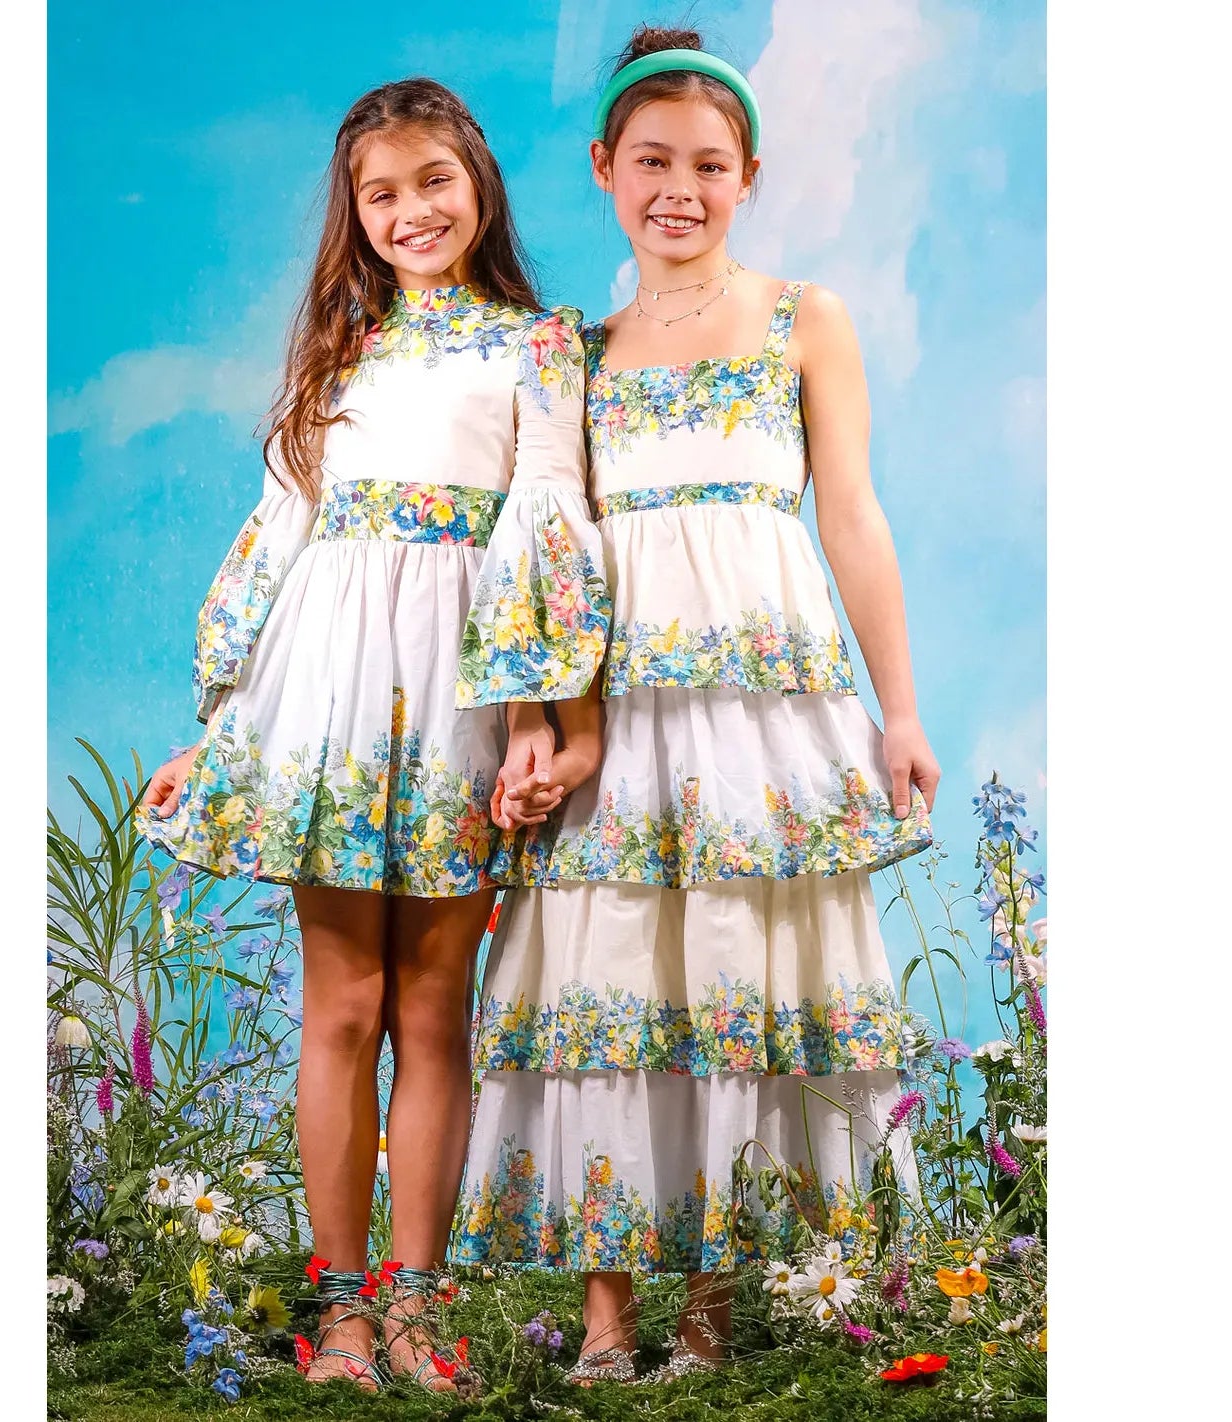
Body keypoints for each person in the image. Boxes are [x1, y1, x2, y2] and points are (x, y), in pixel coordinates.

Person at [453, 26, 940, 1386]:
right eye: (653, 161)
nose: (681, 187)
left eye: (710, 164)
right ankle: (607, 1318)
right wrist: (547, 719)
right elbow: (548, 549)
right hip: (619, 708)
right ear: (604, 168)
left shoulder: (803, 318)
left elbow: (851, 514)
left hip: (761, 710)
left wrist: (899, 710)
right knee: (604, 975)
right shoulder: (574, 351)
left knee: (738, 966)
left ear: (750, 175)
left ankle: (713, 1305)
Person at [137, 77, 610, 1392]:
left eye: (433, 182)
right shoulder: (335, 359)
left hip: (462, 694)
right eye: (381, 192)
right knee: (342, 1002)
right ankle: (340, 1307)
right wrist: (223, 728)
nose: (412, 212)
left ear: (479, 187)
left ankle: (415, 1300)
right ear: (354, 211)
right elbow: (279, 539)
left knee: (434, 1006)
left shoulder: (537, 348)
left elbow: (547, 523)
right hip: (327, 699)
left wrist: (535, 715)